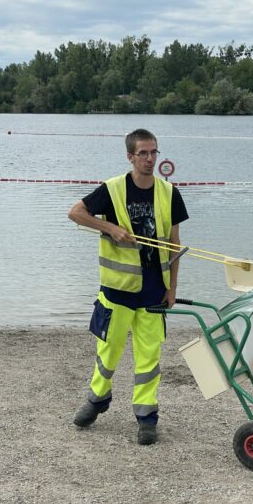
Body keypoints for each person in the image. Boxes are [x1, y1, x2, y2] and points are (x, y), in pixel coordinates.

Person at [68, 128, 189, 445]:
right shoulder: (112, 189)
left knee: (149, 358)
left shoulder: (169, 193)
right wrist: (109, 227)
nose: (149, 159)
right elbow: (75, 212)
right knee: (108, 354)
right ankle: (97, 400)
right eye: (143, 154)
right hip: (117, 291)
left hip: (153, 291)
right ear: (130, 157)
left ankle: (147, 418)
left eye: (154, 153)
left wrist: (172, 288)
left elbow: (175, 245)